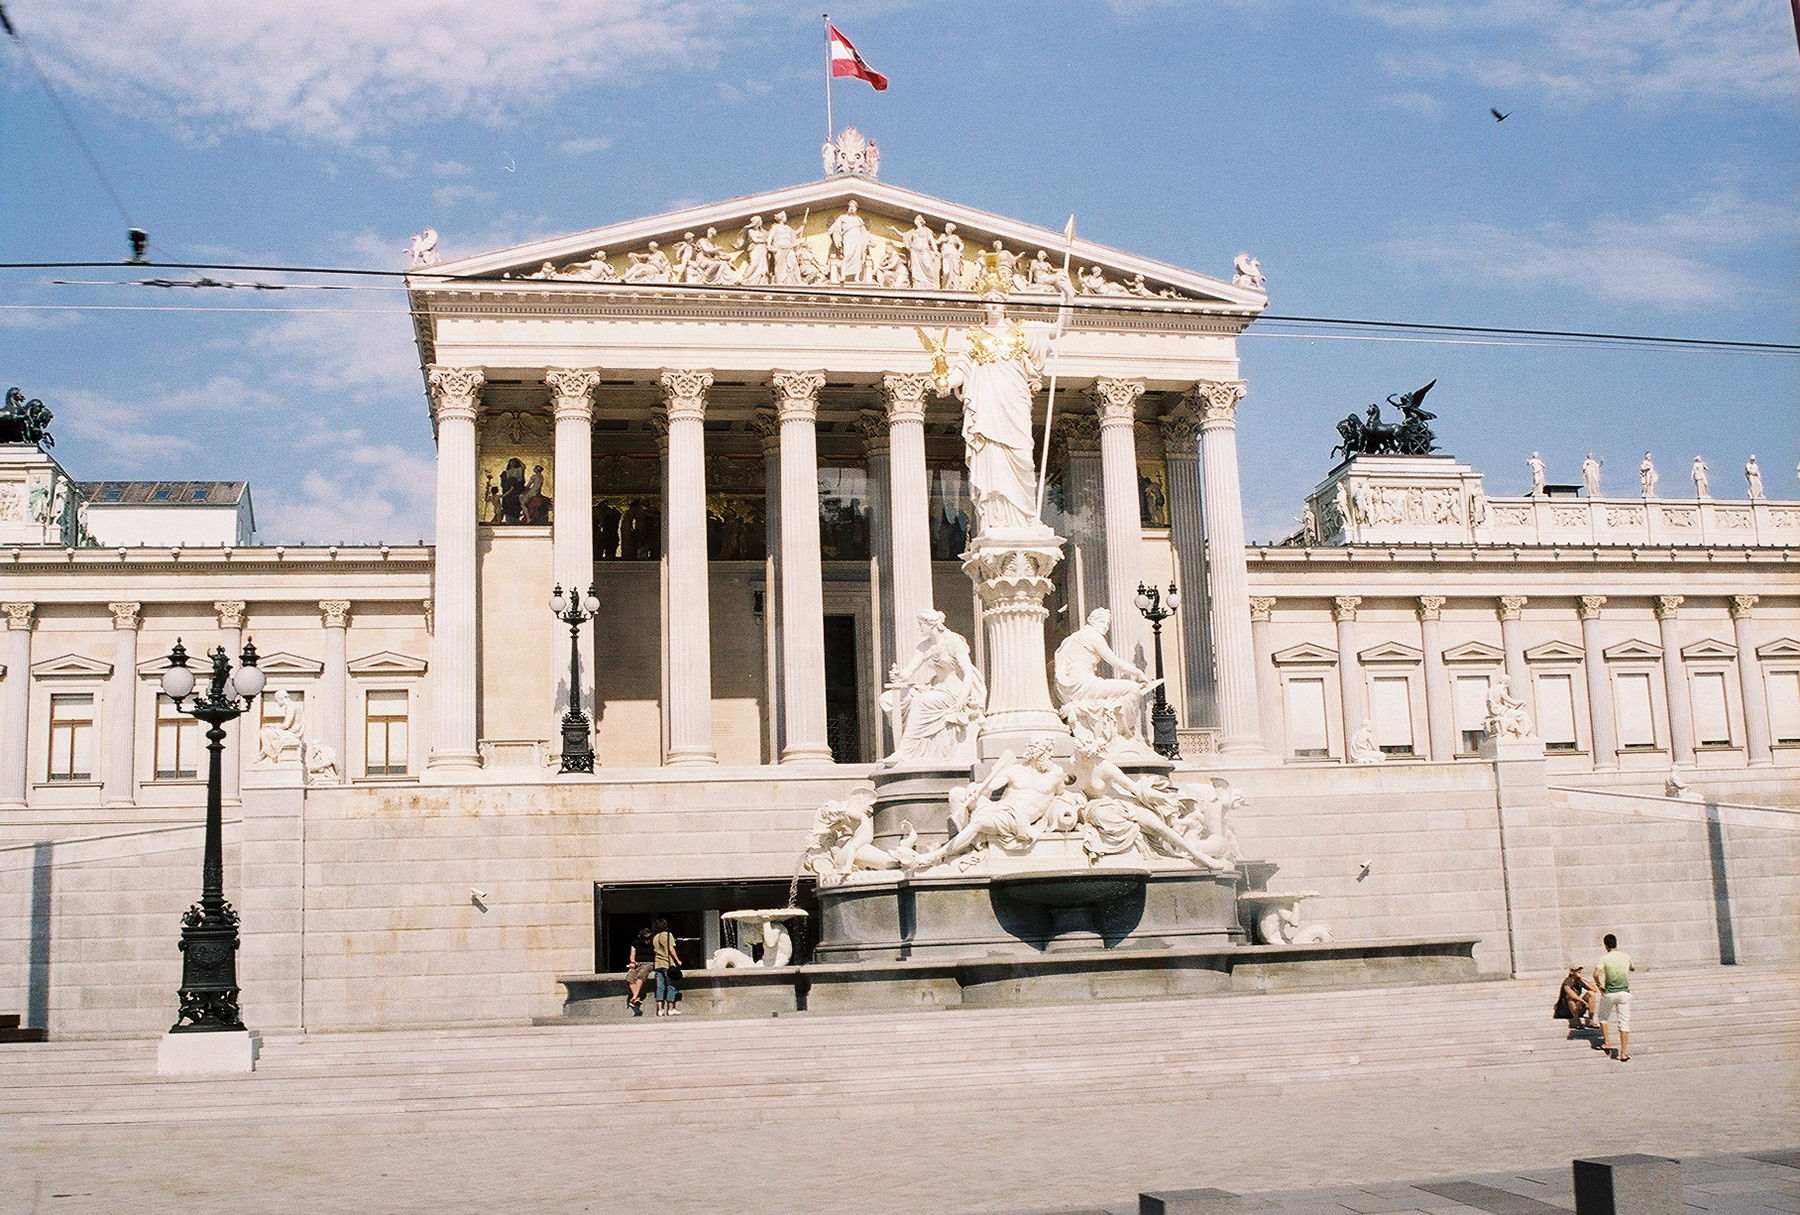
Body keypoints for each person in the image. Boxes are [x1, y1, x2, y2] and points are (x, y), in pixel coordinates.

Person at [1593, 933, 1634, 1060]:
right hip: (1624, 993)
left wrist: (1599, 985)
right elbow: (1632, 968)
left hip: (1609, 993)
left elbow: (1595, 974)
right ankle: (1623, 1053)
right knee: (1624, 1023)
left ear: (1605, 945)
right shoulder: (1626, 956)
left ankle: (1607, 1042)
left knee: (1603, 1017)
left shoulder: (1605, 958)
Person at [652, 915, 683, 1017]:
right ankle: (670, 1009)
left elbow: (655, 950)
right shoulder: (669, 935)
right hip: (667, 964)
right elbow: (671, 949)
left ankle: (660, 1010)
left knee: (659, 987)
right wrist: (678, 960)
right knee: (670, 986)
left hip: (657, 964)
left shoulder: (655, 937)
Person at [624, 926, 655, 1015]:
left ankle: (634, 996)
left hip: (648, 963)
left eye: (649, 938)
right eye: (645, 939)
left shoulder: (653, 943)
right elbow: (632, 956)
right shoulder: (636, 943)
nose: (647, 940)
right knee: (630, 976)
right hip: (637, 963)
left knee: (642, 974)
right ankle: (636, 998)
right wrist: (633, 962)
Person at [1556, 964, 1595, 1029]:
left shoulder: (1579, 981)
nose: (1579, 971)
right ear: (1571, 972)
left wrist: (1582, 980)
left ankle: (1591, 1020)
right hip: (1564, 1010)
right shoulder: (1567, 981)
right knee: (1570, 998)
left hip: (1576, 1008)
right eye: (1577, 970)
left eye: (1580, 970)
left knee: (1591, 994)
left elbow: (1594, 989)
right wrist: (1584, 1002)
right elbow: (1571, 994)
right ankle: (1578, 1022)